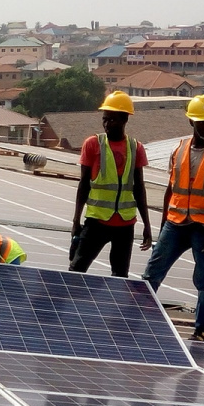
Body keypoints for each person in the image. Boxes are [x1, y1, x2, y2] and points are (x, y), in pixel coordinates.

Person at [142, 95, 204, 342]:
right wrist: (163, 224)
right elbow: (170, 189)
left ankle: (202, 330)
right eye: (202, 122)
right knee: (152, 274)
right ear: (191, 122)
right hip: (175, 223)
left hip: (203, 228)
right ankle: (137, 318)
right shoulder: (178, 150)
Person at [70, 91, 152, 277]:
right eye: (104, 119)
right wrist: (76, 220)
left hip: (125, 224)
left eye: (112, 120)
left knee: (120, 276)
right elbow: (84, 184)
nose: (107, 124)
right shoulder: (93, 144)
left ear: (125, 120)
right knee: (76, 270)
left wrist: (147, 225)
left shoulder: (135, 148)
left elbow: (139, 187)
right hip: (97, 221)